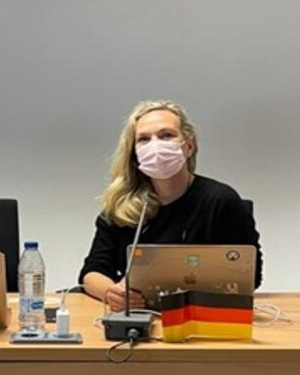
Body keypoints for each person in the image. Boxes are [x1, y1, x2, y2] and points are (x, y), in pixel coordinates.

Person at [79, 100, 262, 311]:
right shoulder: (122, 205)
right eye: (144, 139)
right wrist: (112, 293)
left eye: (167, 135)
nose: (155, 145)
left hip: (204, 318)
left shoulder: (221, 200)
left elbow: (251, 276)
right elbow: (92, 272)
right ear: (135, 153)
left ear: (189, 146)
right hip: (141, 317)